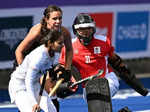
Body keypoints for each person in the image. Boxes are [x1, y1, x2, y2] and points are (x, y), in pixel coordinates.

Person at [59, 13, 148, 112]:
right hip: (87, 86)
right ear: (75, 31)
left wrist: (140, 88)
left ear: (93, 29)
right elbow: (63, 69)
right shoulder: (69, 48)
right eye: (82, 30)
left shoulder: (104, 41)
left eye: (89, 28)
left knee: (99, 92)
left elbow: (118, 64)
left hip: (108, 79)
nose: (86, 32)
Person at [14, 5, 73, 112]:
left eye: (60, 18)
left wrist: (67, 70)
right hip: (25, 63)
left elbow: (69, 50)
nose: (58, 21)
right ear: (46, 19)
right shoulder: (37, 31)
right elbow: (19, 51)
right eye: (54, 19)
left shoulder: (64, 32)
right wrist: (26, 71)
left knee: (51, 90)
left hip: (43, 63)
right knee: (30, 99)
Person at [9, 30, 71, 112]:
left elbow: (52, 68)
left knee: (52, 110)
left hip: (35, 85)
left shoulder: (54, 53)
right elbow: (28, 81)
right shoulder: (39, 57)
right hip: (20, 86)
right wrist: (34, 102)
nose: (63, 45)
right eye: (59, 43)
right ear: (50, 43)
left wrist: (59, 72)